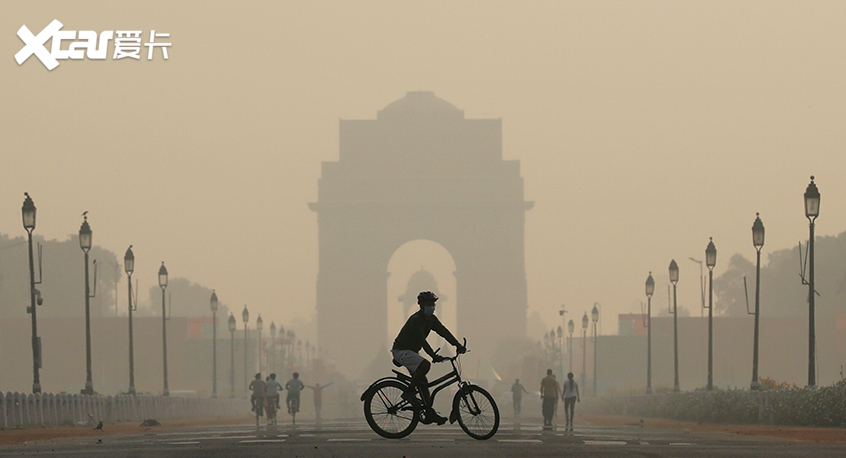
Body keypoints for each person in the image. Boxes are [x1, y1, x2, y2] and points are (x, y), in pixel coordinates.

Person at [391, 291, 465, 425]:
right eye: (428, 304)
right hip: (401, 351)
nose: (431, 306)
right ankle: (409, 392)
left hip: (411, 352)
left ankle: (429, 413)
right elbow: (422, 341)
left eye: (433, 304)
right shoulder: (416, 320)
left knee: (424, 384)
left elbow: (443, 332)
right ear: (421, 305)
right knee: (425, 365)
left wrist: (457, 344)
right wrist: (433, 356)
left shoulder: (431, 319)